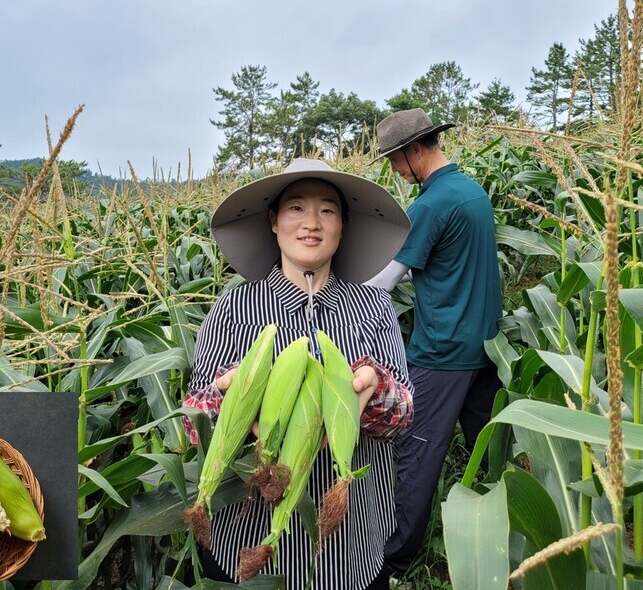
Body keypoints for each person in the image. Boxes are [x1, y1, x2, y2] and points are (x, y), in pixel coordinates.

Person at [183, 157, 414, 590]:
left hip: (349, 545)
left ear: (343, 226)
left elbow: (404, 414)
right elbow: (192, 422)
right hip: (246, 545)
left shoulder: (373, 307)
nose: (312, 222)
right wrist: (231, 397)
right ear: (273, 221)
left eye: (328, 210)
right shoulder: (233, 308)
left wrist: (371, 389)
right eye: (296, 208)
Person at [364, 108, 504, 582]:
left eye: (394, 160)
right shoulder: (471, 192)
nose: (394, 170)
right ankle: (505, 532)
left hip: (442, 352)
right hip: (485, 345)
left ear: (414, 150)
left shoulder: (431, 204)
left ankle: (395, 562)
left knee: (415, 456)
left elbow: (383, 281)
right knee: (489, 449)